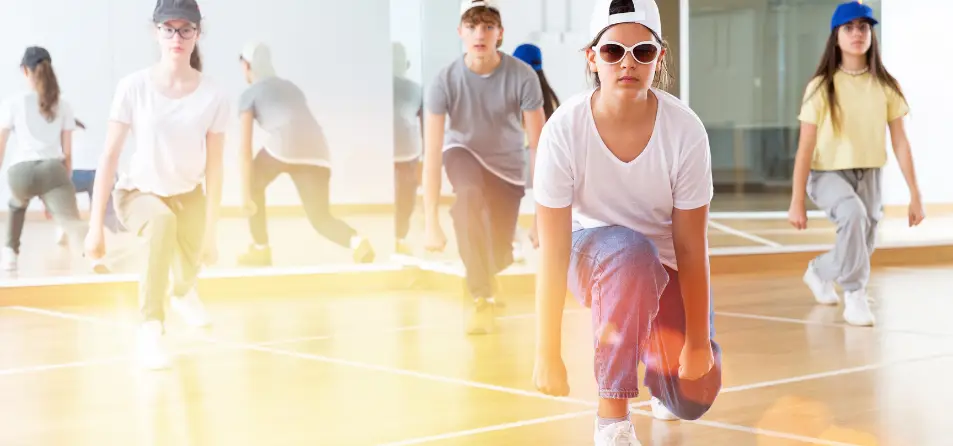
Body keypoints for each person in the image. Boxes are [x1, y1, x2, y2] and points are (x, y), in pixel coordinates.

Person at [531, 1, 722, 444]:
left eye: (642, 52)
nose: (628, 63)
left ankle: (657, 368)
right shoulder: (563, 131)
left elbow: (692, 246)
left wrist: (695, 342)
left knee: (694, 397)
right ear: (592, 58)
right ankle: (612, 420)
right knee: (631, 253)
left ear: (660, 58)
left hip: (664, 264)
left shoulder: (686, 132)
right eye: (614, 51)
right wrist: (547, 351)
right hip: (590, 256)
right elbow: (553, 248)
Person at [85, 0, 230, 370]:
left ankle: (182, 292)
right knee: (161, 224)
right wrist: (93, 230)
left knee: (188, 271)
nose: (176, 37)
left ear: (197, 33)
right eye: (169, 28)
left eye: (185, 29)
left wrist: (211, 233)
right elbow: (109, 157)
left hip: (188, 197)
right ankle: (150, 328)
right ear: (156, 31)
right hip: (138, 194)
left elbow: (215, 169)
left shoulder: (213, 93)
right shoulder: (133, 87)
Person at [789, 1, 923, 327]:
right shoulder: (821, 87)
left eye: (863, 27)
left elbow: (901, 142)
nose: (857, 34)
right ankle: (855, 296)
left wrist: (915, 194)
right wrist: (796, 202)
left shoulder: (886, 86)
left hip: (871, 175)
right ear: (836, 36)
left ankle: (820, 271)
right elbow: (805, 146)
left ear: (871, 35)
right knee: (853, 215)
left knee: (862, 243)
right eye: (849, 28)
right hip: (827, 175)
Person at [423, 0, 546, 335]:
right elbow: (432, 151)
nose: (480, 33)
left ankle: (487, 276)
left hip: (507, 168)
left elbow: (540, 147)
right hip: (462, 153)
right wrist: (430, 221)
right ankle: (482, 297)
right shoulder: (444, 81)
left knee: (500, 256)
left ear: (500, 34)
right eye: (473, 27)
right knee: (467, 197)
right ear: (461, 33)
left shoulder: (522, 77)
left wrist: (540, 218)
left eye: (488, 27)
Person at [235, 42, 374, 267]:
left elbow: (244, 149)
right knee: (320, 218)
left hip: (285, 144)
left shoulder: (249, 94)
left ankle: (260, 250)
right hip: (318, 151)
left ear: (248, 65)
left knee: (253, 181)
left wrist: (245, 194)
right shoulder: (291, 87)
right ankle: (357, 242)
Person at [0, 47, 88, 272]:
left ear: (24, 71)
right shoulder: (63, 104)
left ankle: (11, 254)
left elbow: (2, 143)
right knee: (70, 219)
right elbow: (67, 153)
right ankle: (92, 256)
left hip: (19, 172)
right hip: (52, 169)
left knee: (16, 204)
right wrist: (62, 183)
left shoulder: (14, 102)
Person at [511, 43, 561, 263]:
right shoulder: (551, 97)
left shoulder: (515, 93)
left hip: (519, 162)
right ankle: (536, 228)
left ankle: (512, 241)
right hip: (545, 164)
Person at [53, 119, 125, 249]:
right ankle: (108, 234)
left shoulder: (62, 137)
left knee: (62, 198)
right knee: (103, 209)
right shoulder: (91, 137)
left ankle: (63, 229)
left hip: (74, 174)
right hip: (99, 174)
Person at [392, 42, 423, 256]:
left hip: (407, 153)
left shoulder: (415, 90)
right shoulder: (416, 89)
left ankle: (399, 237)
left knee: (405, 198)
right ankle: (398, 236)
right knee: (405, 198)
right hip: (404, 152)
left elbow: (424, 124)